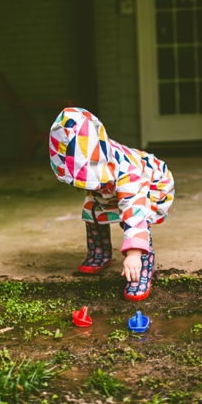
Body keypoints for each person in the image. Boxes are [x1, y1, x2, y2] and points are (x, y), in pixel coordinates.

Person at [49, 107, 175, 301]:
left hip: (153, 184)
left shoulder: (128, 173)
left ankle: (141, 267)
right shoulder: (94, 157)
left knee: (133, 218)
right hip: (111, 187)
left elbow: (135, 214)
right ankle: (100, 254)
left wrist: (132, 254)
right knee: (92, 208)